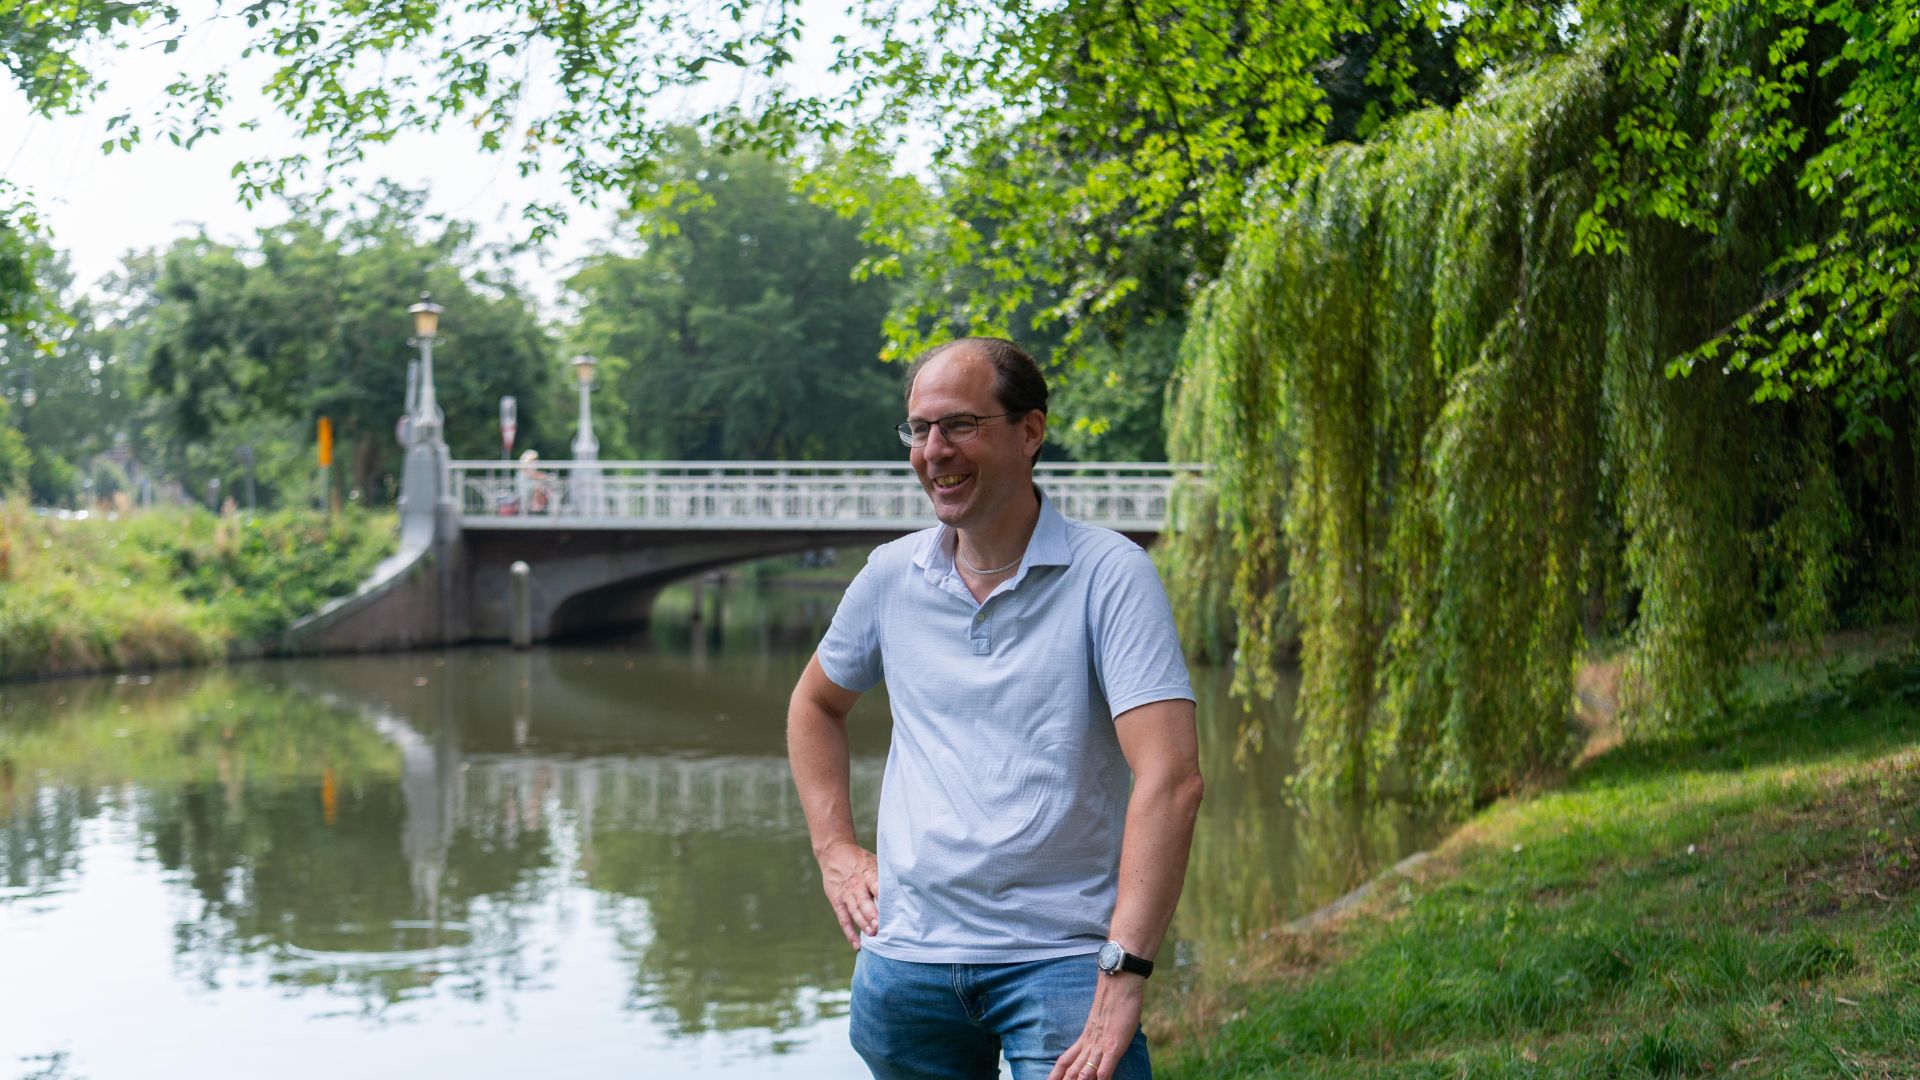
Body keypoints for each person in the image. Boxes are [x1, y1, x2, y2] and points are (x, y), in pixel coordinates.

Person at [786, 337, 1204, 1080]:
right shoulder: (890, 576)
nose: (933, 451)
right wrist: (836, 852)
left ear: (1031, 431)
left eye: (960, 426)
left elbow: (1170, 778)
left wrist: (1126, 967)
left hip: (1061, 961)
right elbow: (815, 704)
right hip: (905, 964)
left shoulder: (1111, 576)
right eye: (919, 430)